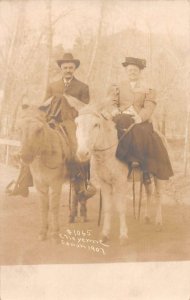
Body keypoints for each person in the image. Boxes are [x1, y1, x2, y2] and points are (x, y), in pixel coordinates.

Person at [7, 53, 96, 222]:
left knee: (76, 146)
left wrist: (70, 101)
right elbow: (43, 106)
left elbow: (86, 109)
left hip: (71, 122)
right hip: (52, 121)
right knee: (33, 142)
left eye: (70, 67)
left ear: (74, 68)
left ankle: (82, 181)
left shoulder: (82, 87)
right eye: (65, 68)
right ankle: (23, 181)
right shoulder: (53, 85)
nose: (68, 70)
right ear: (61, 69)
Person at [108, 56, 173, 184]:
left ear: (140, 72)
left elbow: (149, 105)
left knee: (142, 132)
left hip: (138, 119)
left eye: (135, 70)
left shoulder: (148, 88)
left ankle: (143, 166)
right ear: (126, 71)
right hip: (121, 117)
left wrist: (140, 117)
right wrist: (113, 109)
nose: (132, 72)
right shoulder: (118, 86)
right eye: (130, 70)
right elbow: (113, 102)